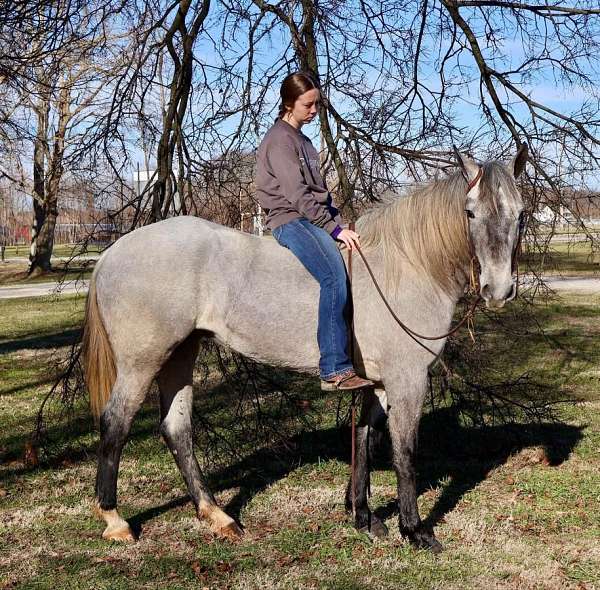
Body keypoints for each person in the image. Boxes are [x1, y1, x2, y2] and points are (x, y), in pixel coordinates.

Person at [255, 71, 374, 391]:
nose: (313, 111)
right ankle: (334, 368)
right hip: (290, 220)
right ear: (289, 103)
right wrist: (332, 229)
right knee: (333, 276)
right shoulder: (279, 140)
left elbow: (319, 192)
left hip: (311, 217)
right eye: (308, 105)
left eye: (317, 105)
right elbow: (296, 194)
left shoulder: (304, 141)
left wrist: (340, 221)